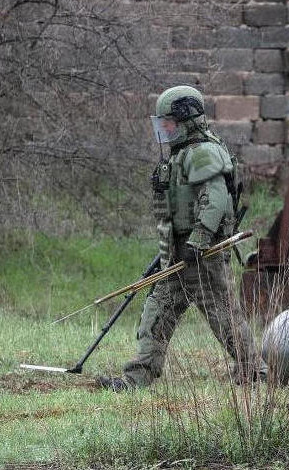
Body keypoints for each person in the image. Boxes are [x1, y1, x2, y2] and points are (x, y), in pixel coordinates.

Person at [97, 85, 264, 391]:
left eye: (170, 124)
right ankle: (136, 379)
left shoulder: (202, 152)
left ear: (187, 120)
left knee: (223, 315)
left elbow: (215, 200)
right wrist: (176, 247)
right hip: (180, 253)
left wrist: (198, 240)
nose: (165, 130)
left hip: (203, 255)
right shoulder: (182, 154)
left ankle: (255, 372)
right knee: (157, 311)